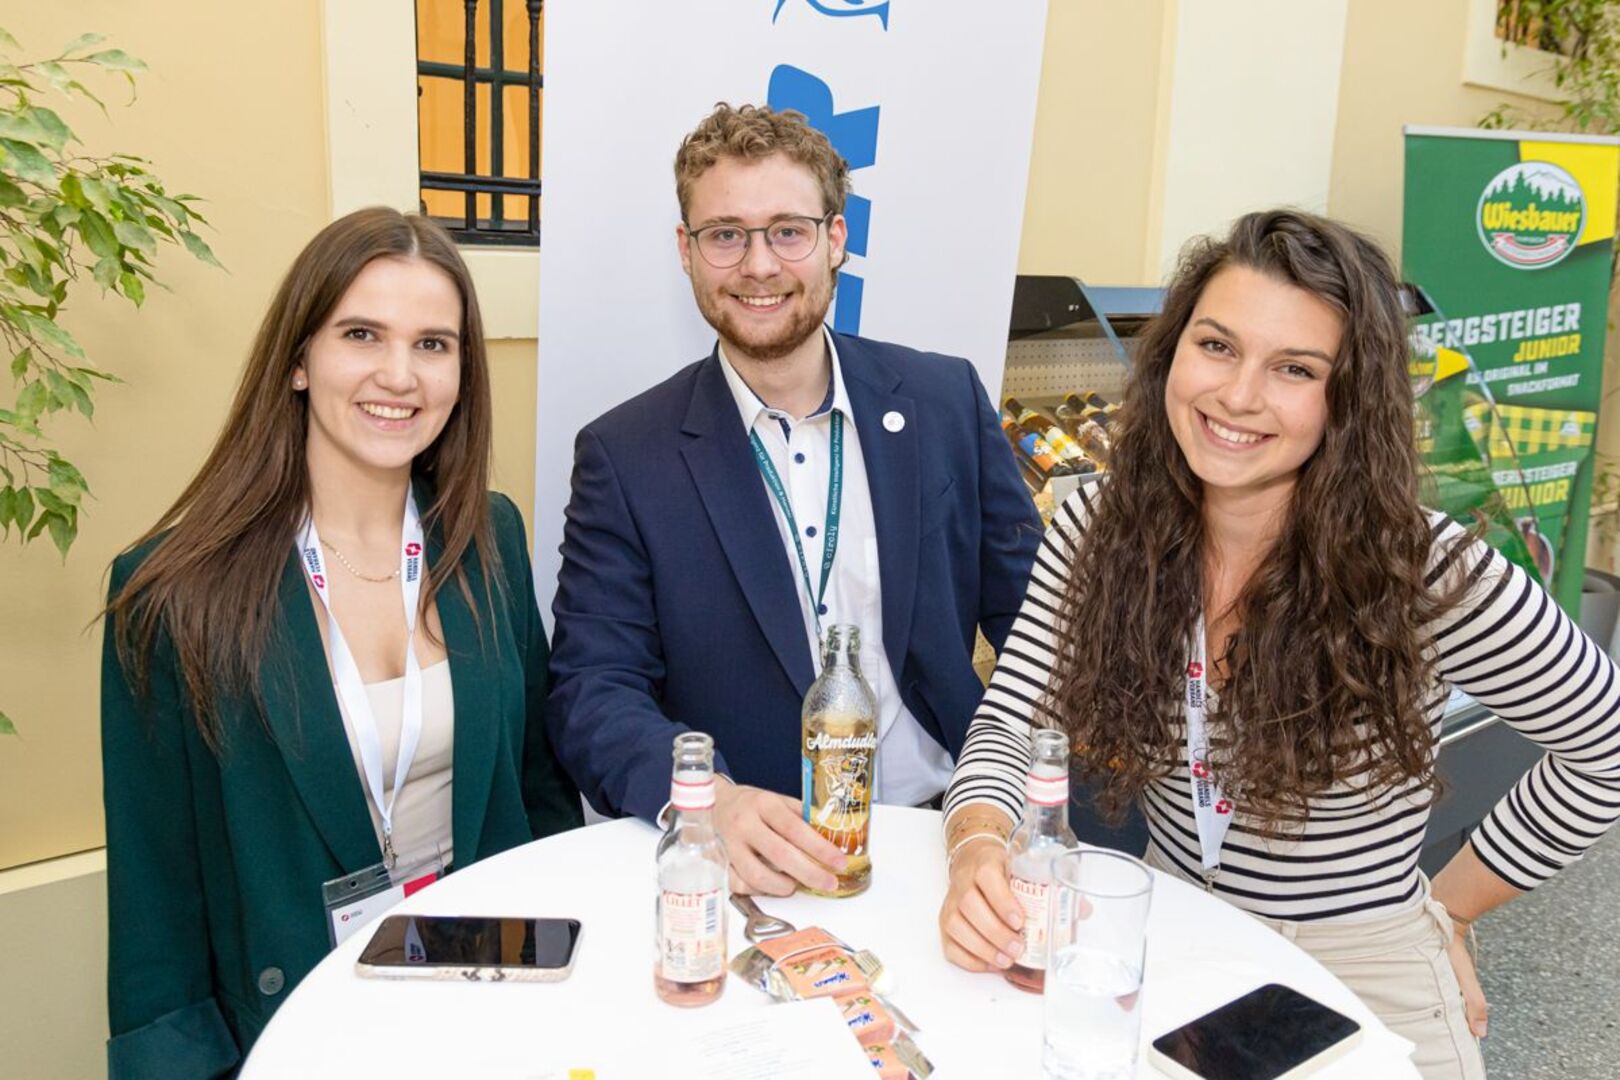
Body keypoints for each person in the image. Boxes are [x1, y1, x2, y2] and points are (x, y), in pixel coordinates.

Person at [939, 209, 1620, 1078]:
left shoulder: (1423, 569)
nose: (1237, 395)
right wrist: (977, 845)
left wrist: (1449, 910)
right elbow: (1010, 721)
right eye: (1217, 346)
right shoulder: (1100, 529)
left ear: (1349, 399)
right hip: (1172, 940)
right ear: (1172, 353)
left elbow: (1605, 745)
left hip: (1361, 970)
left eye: (1294, 368)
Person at [100, 208, 583, 1077]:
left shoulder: (487, 538)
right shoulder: (175, 593)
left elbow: (537, 788)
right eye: (362, 334)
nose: (399, 375)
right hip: (297, 1028)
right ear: (298, 359)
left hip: (491, 1006)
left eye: (433, 344)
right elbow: (156, 896)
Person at [547, 103, 1041, 895]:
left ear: (836, 238)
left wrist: (1013, 804)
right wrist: (710, 801)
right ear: (686, 251)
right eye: (725, 234)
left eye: (788, 231)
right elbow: (592, 691)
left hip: (952, 841)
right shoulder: (627, 456)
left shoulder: (945, 400)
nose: (759, 265)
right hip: (756, 865)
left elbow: (1037, 630)